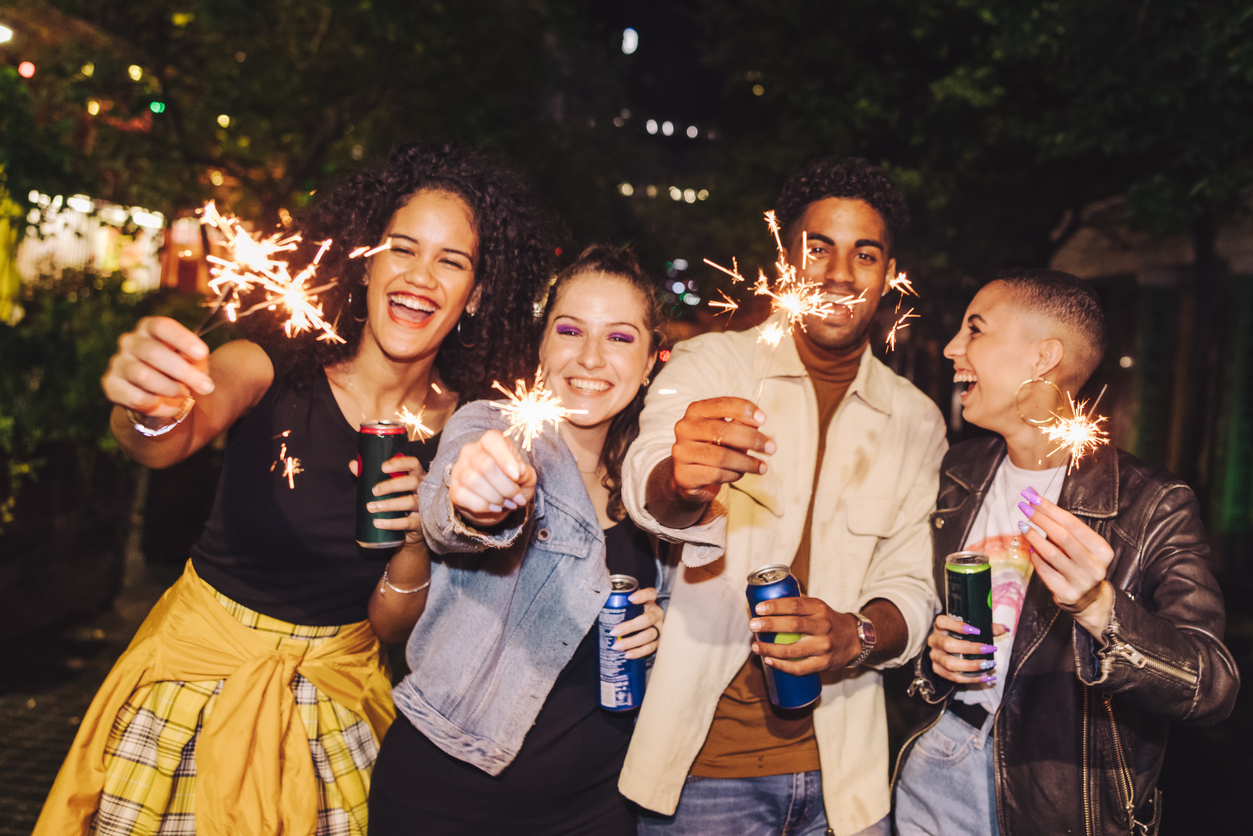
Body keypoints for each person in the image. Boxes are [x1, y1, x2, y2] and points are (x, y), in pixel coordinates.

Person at [34, 143, 558, 836]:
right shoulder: (269, 364)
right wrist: (149, 407)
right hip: (194, 697)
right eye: (401, 248)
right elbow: (169, 436)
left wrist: (412, 538)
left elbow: (391, 628)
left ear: (477, 293)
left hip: (336, 712)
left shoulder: (471, 434)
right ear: (364, 261)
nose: (421, 276)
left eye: (451, 261)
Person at [618, 158, 948, 836]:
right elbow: (646, 477)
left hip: (847, 783)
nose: (838, 272)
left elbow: (912, 586)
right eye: (817, 247)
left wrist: (854, 633)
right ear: (784, 260)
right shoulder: (710, 363)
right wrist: (680, 481)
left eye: (865, 254)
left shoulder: (917, 419)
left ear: (888, 275)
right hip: (702, 776)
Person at [892, 270, 1240, 835]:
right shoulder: (956, 475)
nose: (954, 347)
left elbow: (1213, 686)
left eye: (974, 330)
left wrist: (1099, 608)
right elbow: (917, 605)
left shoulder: (1152, 504)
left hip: (1059, 802)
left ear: (1043, 357)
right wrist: (934, 660)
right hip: (935, 762)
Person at [368, 245, 671, 835]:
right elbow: (446, 508)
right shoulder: (490, 426)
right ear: (541, 345)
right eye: (570, 329)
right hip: (446, 797)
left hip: (597, 806)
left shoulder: (655, 484)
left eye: (619, 338)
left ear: (651, 361)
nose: (590, 357)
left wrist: (661, 625)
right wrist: (479, 501)